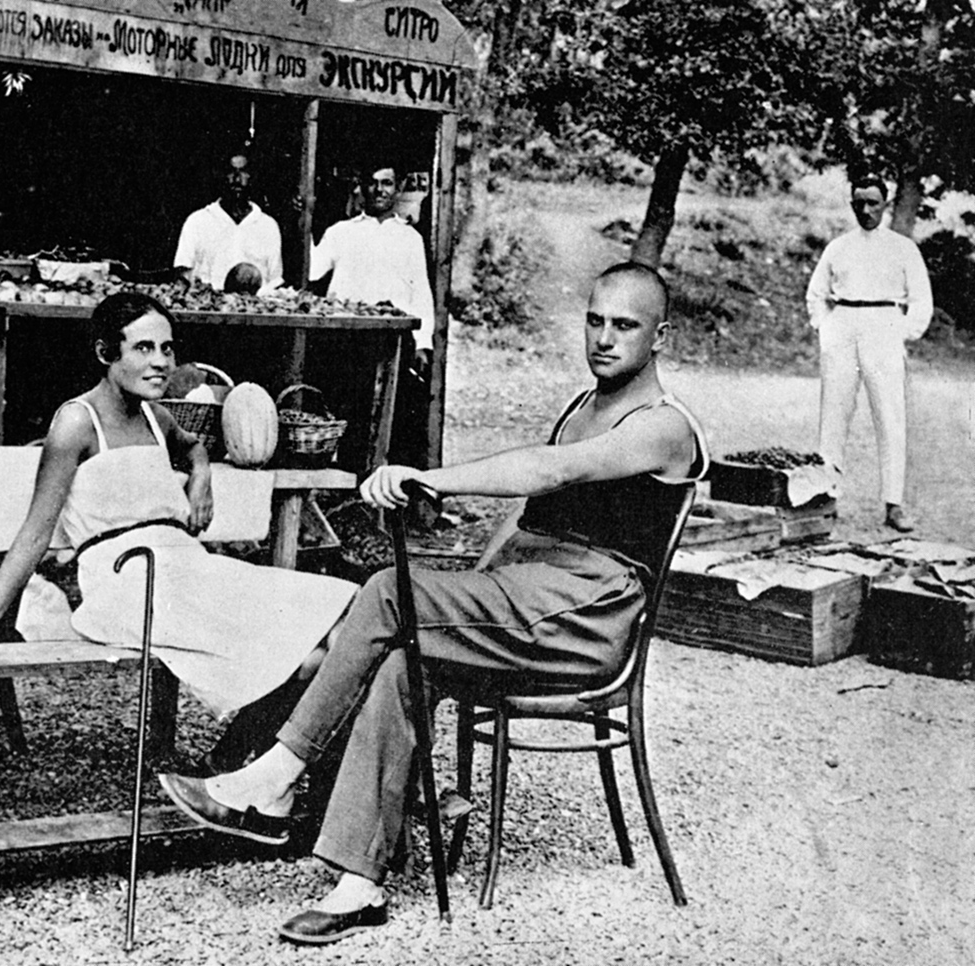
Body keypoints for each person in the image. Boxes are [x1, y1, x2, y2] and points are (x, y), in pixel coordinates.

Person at [158, 262, 710, 944]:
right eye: (594, 320)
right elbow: (526, 517)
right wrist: (473, 581)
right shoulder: (584, 406)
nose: (603, 338)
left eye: (624, 326)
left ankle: (275, 775)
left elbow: (553, 470)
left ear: (662, 335)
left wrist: (430, 479)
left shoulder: (665, 426)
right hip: (533, 595)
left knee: (388, 589)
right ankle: (359, 884)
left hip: (588, 613)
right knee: (401, 661)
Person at [0, 292, 355, 768]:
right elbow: (35, 532)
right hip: (127, 582)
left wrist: (201, 478)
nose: (160, 362)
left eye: (167, 348)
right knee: (306, 653)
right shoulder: (77, 422)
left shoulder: (158, 417)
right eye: (143, 348)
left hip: (185, 568)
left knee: (346, 621)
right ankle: (240, 768)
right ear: (104, 353)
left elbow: (194, 445)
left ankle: (237, 770)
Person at [805, 174, 933, 532]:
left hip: (884, 325)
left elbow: (921, 299)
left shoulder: (903, 248)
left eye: (872, 203)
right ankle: (825, 498)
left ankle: (893, 504)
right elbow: (816, 293)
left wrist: (901, 333)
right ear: (851, 204)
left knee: (890, 416)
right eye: (859, 203)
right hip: (843, 324)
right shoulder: (839, 247)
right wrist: (825, 328)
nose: (865, 210)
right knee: (834, 415)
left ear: (885, 204)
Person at [310, 161, 437, 469]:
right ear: (361, 186)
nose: (379, 190)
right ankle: (348, 490)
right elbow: (312, 270)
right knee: (348, 413)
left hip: (393, 340)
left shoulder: (410, 238)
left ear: (397, 188)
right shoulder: (341, 232)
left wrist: (422, 343)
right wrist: (301, 218)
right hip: (348, 339)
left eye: (387, 183)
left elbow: (420, 292)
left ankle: (384, 492)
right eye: (373, 183)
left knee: (394, 421)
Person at [174, 149, 284, 294]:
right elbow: (183, 274)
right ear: (221, 177)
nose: (237, 179)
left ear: (253, 178)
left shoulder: (268, 226)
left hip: (254, 309)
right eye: (231, 172)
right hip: (209, 308)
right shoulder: (197, 221)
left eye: (243, 172)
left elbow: (275, 281)